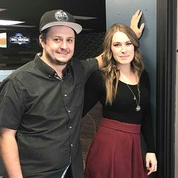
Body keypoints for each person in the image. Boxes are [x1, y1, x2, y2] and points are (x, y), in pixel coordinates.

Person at [0, 9, 144, 178]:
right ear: (42, 40)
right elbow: (6, 136)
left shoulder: (78, 69)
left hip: (72, 169)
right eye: (57, 39)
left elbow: (106, 56)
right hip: (36, 173)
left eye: (70, 40)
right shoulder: (18, 83)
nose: (64, 46)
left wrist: (129, 37)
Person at [83, 23, 157, 178]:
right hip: (109, 147)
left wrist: (151, 150)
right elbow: (78, 111)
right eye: (117, 45)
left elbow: (146, 114)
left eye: (128, 43)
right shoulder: (101, 77)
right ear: (110, 50)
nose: (123, 50)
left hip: (134, 145)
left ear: (134, 46)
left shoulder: (143, 76)